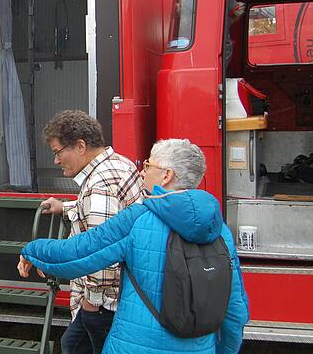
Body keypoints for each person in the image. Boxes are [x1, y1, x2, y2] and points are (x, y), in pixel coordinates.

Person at [18, 139, 249, 354]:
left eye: (148, 165)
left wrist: (32, 250)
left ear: (167, 175)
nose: (142, 171)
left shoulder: (138, 219)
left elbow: (75, 255)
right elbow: (235, 308)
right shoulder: (219, 231)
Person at [39, 110, 142, 354]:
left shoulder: (100, 184)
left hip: (104, 303)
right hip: (120, 297)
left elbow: (102, 252)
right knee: (72, 344)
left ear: (81, 145)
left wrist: (91, 303)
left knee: (74, 347)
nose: (56, 160)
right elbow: (112, 218)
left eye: (58, 152)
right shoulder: (117, 164)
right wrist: (65, 207)